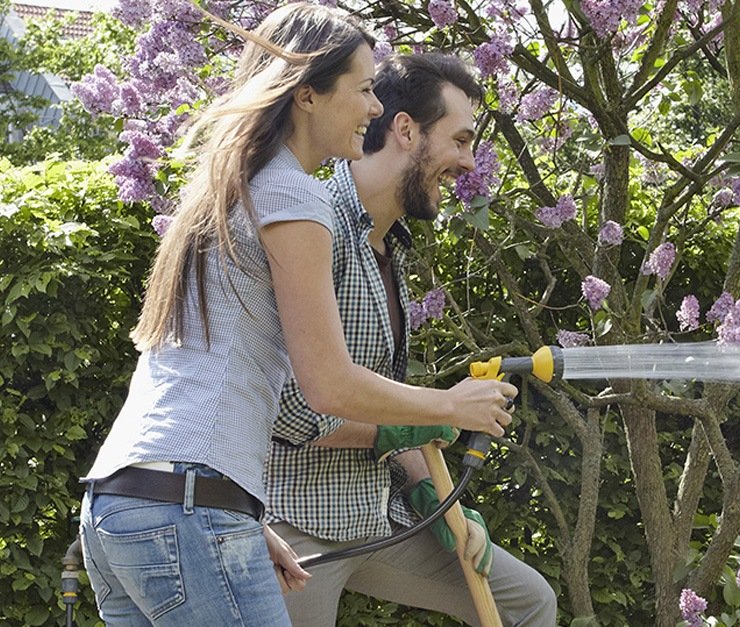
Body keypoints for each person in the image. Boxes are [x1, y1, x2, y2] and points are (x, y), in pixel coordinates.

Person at [78, 6, 518, 625]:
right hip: (187, 508)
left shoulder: (232, 187)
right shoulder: (295, 194)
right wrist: (448, 406)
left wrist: (243, 517)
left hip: (122, 507)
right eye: (364, 89)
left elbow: (198, 383)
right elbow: (326, 385)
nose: (373, 109)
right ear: (308, 94)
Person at [265, 53, 557, 626]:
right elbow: (292, 412)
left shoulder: (387, 246)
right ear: (404, 130)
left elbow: (381, 402)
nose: (469, 164)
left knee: (527, 604)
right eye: (461, 140)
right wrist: (426, 416)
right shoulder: (317, 225)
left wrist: (441, 500)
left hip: (373, 515)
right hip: (293, 528)